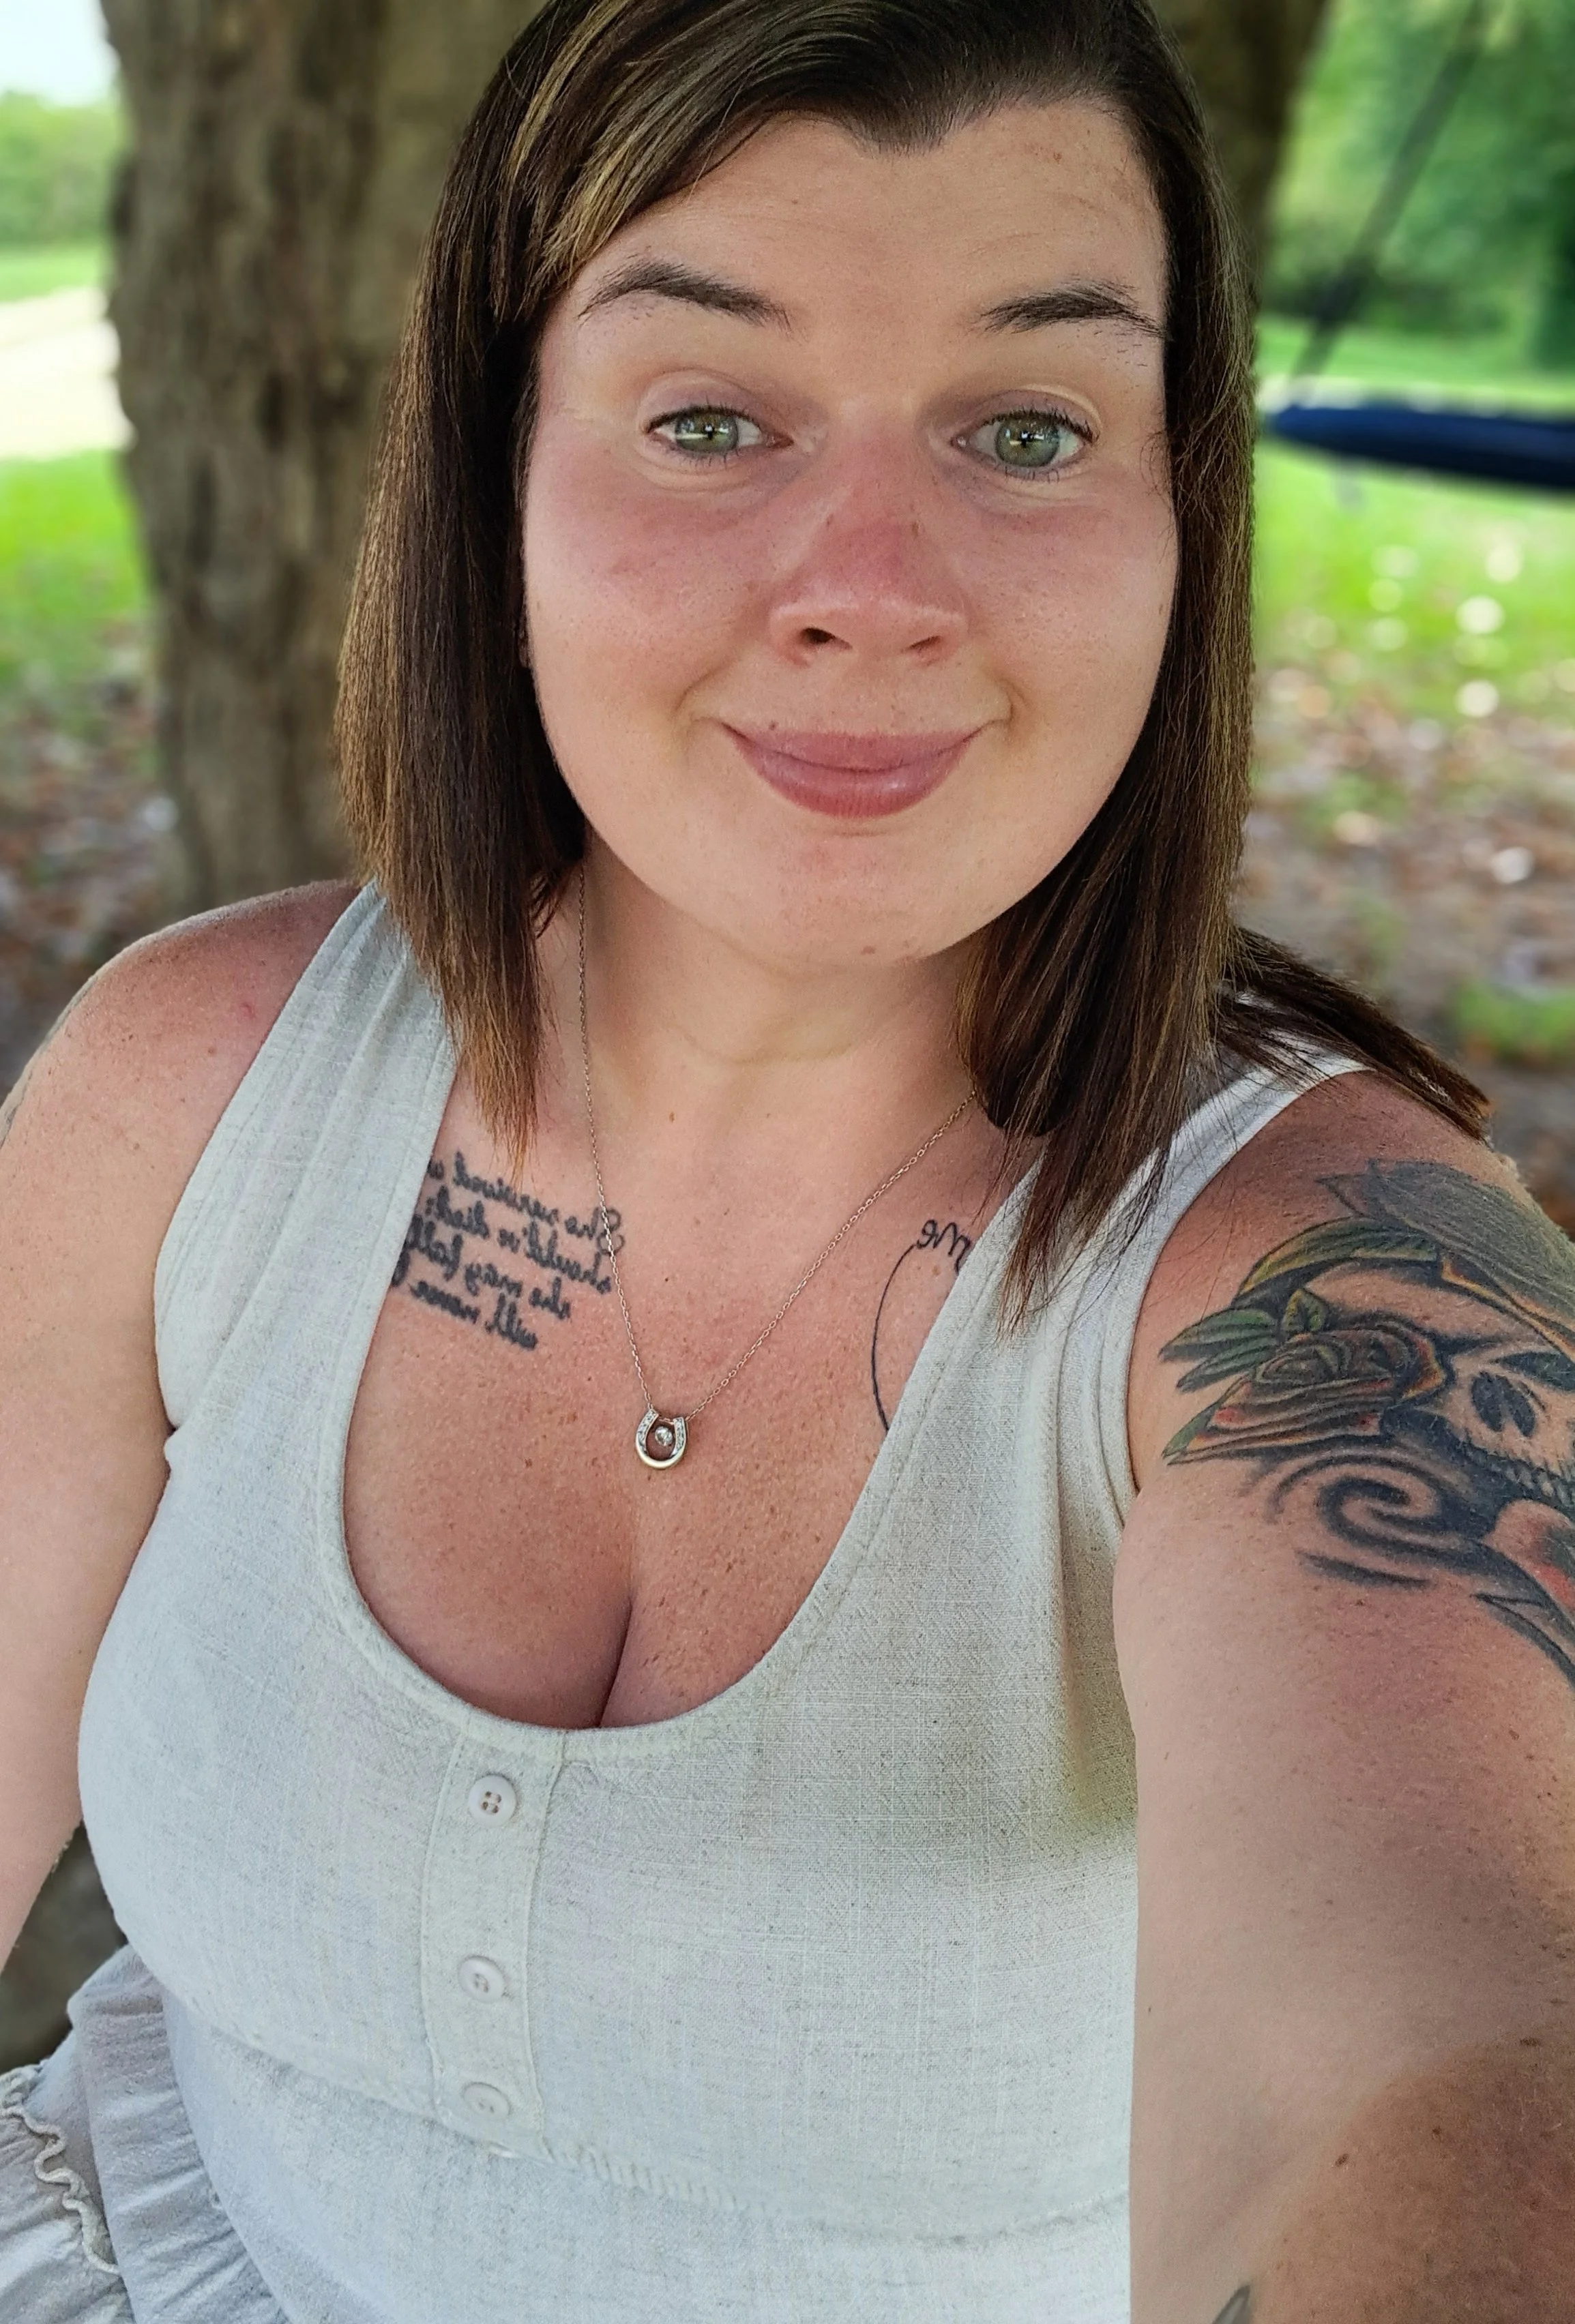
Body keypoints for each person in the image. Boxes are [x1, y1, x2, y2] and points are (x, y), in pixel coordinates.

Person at [3, 0, 1573, 2316]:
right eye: (707, 419)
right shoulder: (187, 1087)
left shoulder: (1340, 1291)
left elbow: (1452, 2042)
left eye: (1025, 427)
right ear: (493, 477)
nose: (870, 582)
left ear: (1175, 515)